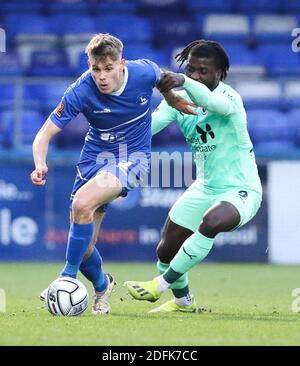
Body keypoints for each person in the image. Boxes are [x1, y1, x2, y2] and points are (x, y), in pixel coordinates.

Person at [31, 33, 195, 315]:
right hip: (93, 157)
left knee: (82, 203)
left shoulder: (143, 70)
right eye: (96, 69)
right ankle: (102, 286)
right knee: (84, 247)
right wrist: (39, 163)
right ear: (89, 65)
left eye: (108, 69)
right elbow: (44, 133)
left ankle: (65, 278)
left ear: (122, 63)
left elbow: (164, 79)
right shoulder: (80, 90)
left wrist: (171, 99)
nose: (102, 76)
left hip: (132, 157)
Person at [124, 40, 263, 313]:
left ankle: (159, 286)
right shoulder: (179, 100)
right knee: (166, 250)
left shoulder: (230, 99)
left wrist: (184, 81)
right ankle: (183, 303)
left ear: (219, 74)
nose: (196, 75)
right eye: (191, 69)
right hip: (205, 187)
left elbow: (209, 101)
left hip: (240, 189)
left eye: (203, 71)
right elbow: (149, 127)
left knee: (211, 221)